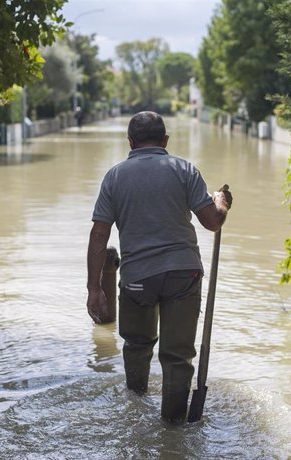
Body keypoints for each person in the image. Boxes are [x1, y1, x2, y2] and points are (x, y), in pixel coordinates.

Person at [86, 111, 232, 423]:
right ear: (165, 141)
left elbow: (99, 234)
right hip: (183, 274)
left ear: (130, 142)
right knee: (177, 357)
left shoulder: (114, 176)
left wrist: (94, 289)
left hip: (137, 279)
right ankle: (173, 429)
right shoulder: (184, 169)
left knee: (137, 346)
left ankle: (135, 412)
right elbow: (212, 223)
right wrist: (221, 202)